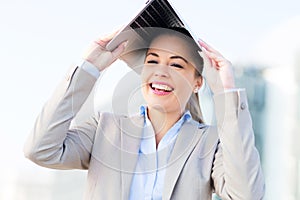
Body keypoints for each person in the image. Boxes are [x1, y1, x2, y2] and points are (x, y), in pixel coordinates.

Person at [24, 26, 265, 199]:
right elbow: (41, 150)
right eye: (153, 60)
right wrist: (89, 68)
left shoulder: (211, 144)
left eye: (176, 64)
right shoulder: (104, 129)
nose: (161, 71)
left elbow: (246, 195)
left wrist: (227, 94)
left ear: (197, 82)